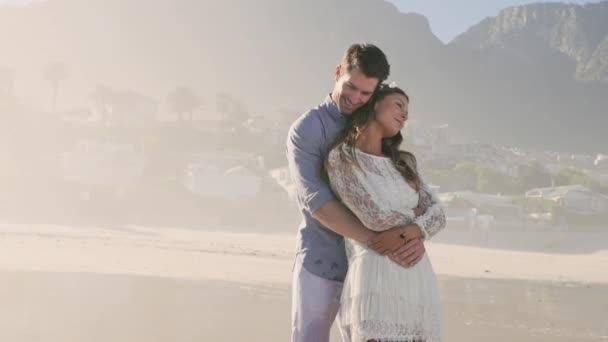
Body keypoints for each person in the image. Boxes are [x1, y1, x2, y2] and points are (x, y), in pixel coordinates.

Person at [287, 43, 439, 342]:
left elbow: (412, 201)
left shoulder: (384, 141)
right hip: (324, 259)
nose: (355, 99)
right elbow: (316, 201)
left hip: (379, 267)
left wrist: (413, 233)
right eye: (350, 87)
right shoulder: (309, 128)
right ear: (337, 72)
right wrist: (380, 239)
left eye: (365, 93)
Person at [325, 83, 446, 341]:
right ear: (374, 104)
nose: (405, 115)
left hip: (417, 278)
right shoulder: (343, 158)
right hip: (375, 275)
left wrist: (414, 231)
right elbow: (374, 218)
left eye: (407, 110)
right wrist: (416, 216)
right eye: (399, 105)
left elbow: (439, 214)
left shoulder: (403, 163)